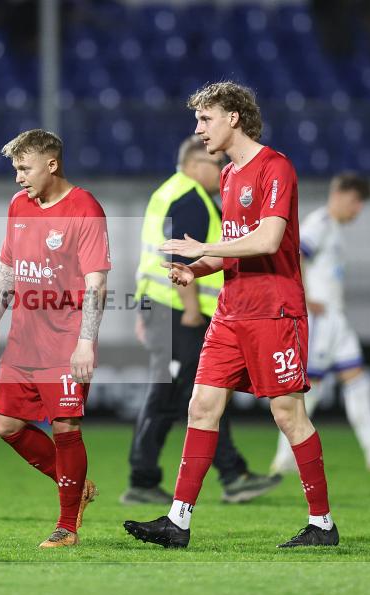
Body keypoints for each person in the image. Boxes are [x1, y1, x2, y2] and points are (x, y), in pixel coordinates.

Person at [123, 81, 338, 549]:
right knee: (201, 406)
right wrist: (195, 269)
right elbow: (233, 251)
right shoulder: (228, 176)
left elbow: (266, 241)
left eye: (205, 119)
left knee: (287, 414)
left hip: (273, 310)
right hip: (230, 311)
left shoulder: (275, 167)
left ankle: (322, 524)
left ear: (234, 118)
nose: (198, 130)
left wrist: (203, 247)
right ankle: (178, 522)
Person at [122, 135, 281, 506]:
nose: (222, 169)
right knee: (181, 394)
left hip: (163, 308)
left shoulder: (169, 192)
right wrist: (190, 308)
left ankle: (226, 473)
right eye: (216, 162)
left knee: (196, 392)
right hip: (179, 312)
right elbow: (178, 256)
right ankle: (155, 478)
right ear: (195, 165)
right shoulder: (191, 197)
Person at [0, 129, 110, 548]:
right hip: (23, 340)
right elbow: (8, 268)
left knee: (65, 427)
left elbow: (97, 283)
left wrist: (86, 341)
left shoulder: (85, 208)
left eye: (24, 168)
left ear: (51, 165)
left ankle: (67, 526)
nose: (18, 178)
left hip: (66, 341)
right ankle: (74, 484)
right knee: (6, 425)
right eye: (15, 168)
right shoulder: (19, 205)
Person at [270, 173, 370, 474]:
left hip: (337, 319)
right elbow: (294, 256)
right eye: (357, 202)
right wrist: (304, 298)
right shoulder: (319, 223)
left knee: (357, 381)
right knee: (310, 388)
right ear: (343, 195)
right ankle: (284, 458)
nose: (358, 210)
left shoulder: (332, 227)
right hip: (320, 320)